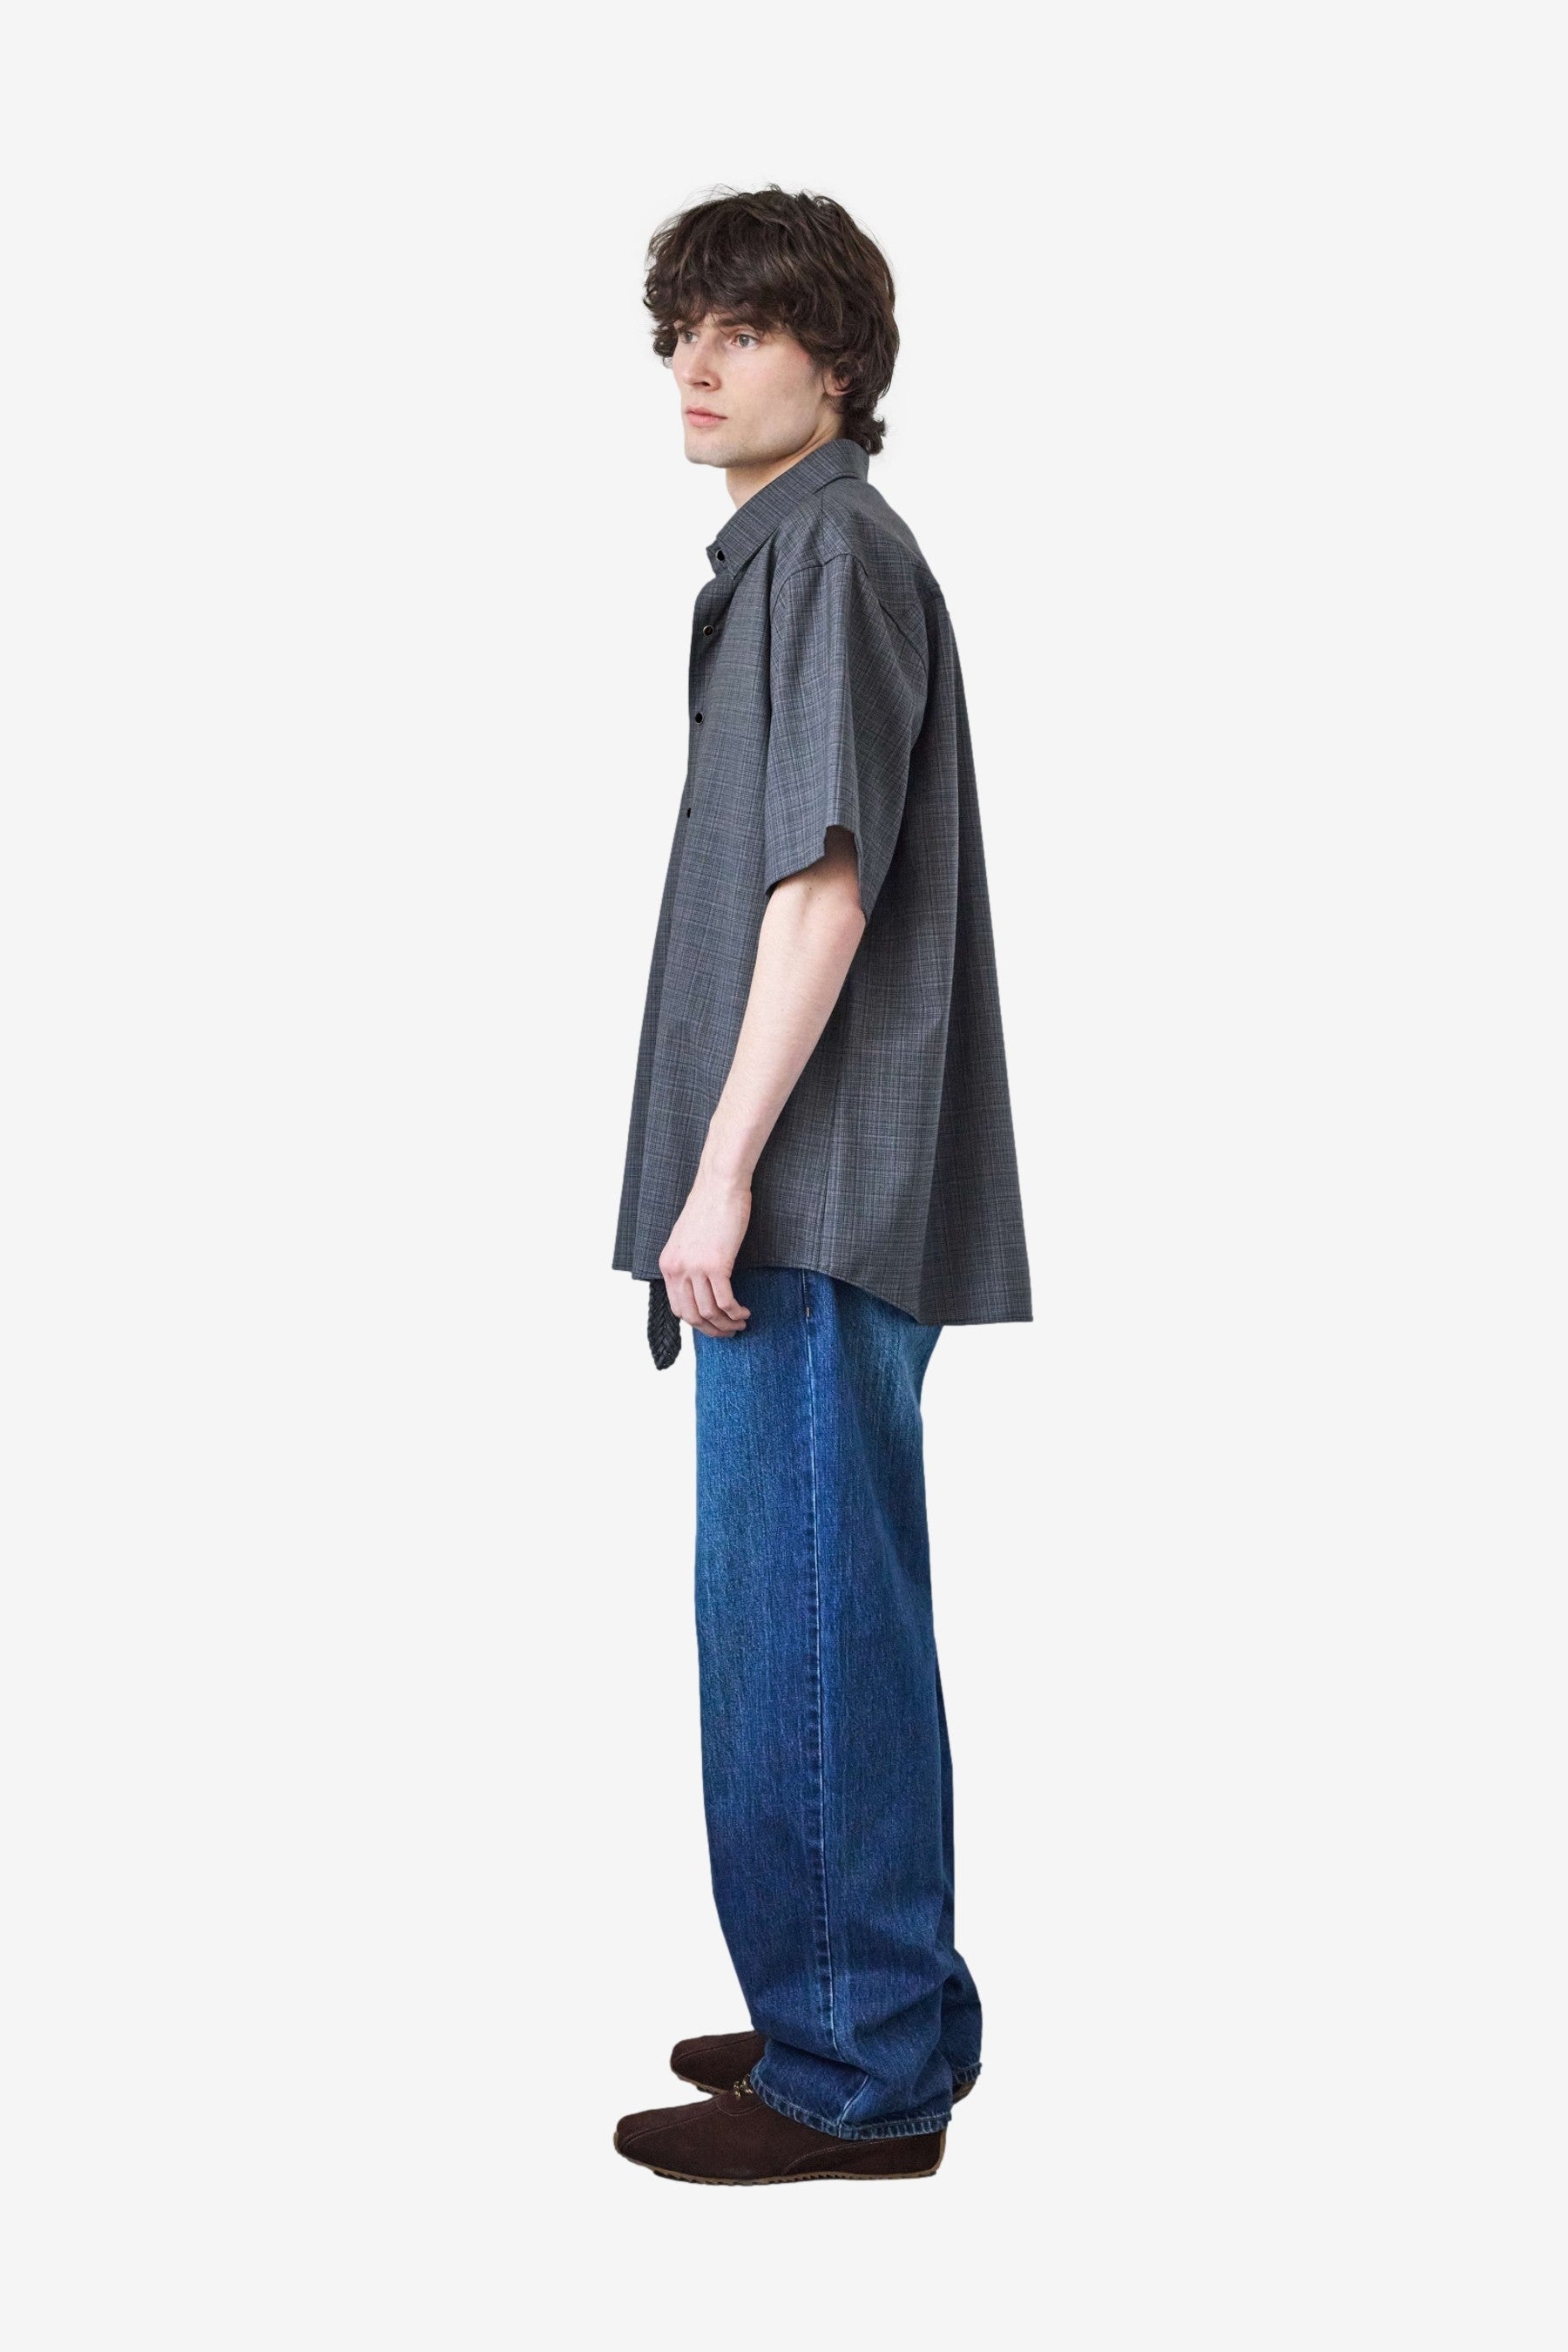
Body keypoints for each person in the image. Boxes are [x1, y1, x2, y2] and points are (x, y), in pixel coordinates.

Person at [611, 187, 1031, 2185]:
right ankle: (862, 2001)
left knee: (801, 1618)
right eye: (681, 328)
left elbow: (827, 885)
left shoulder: (831, 556)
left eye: (747, 330)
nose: (699, 365)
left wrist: (722, 1179)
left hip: (807, 1191)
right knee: (818, 1603)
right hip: (819, 1187)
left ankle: (855, 2072)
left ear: (838, 366)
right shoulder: (796, 555)